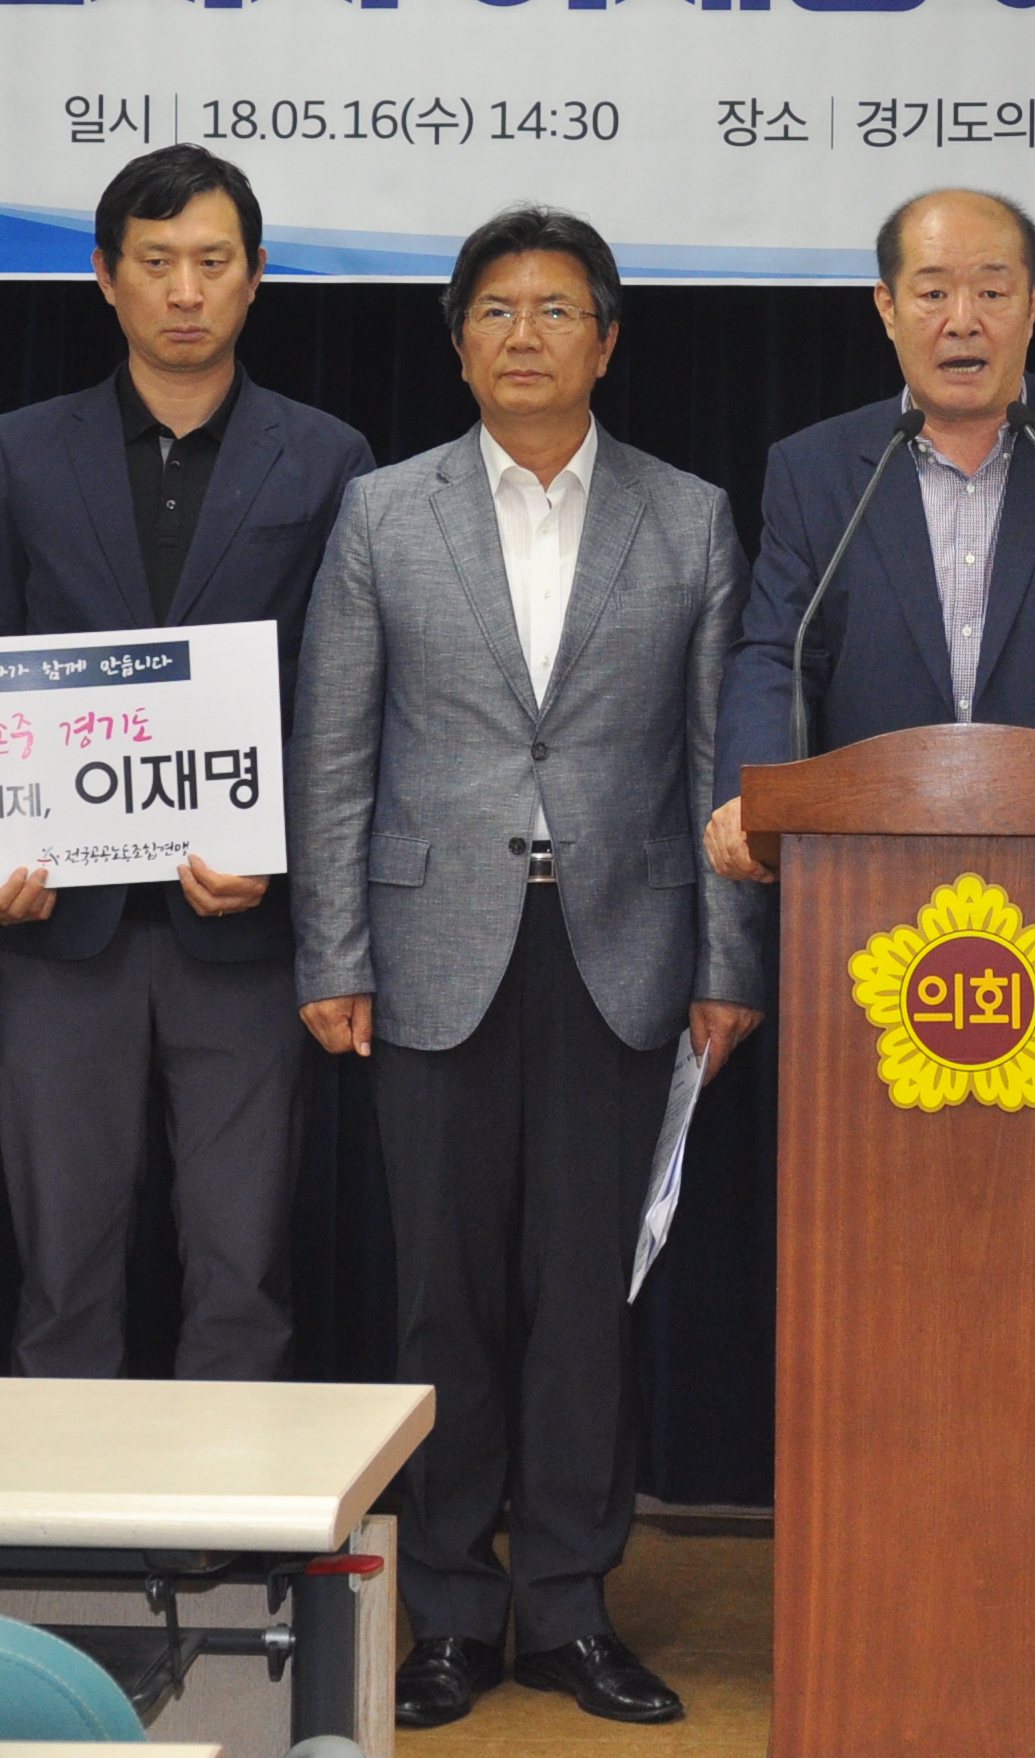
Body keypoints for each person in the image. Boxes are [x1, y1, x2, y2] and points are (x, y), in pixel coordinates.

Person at [293, 209, 747, 1733]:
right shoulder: (384, 513)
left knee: (584, 1302)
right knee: (444, 1297)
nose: (526, 334)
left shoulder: (690, 518)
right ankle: (444, 1612)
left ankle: (566, 1607)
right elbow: (335, 747)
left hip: (622, 947)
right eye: (497, 309)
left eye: (558, 309)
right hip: (431, 949)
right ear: (458, 343)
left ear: (606, 342)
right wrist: (332, 948)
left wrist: (729, 958)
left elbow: (719, 763)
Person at [0, 144, 370, 1383]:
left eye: (212, 261)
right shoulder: (23, 448)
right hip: (55, 929)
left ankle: (228, 1513)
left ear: (255, 276)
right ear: (105, 275)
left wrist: (279, 855)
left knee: (243, 1271)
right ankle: (63, 1513)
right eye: (156, 261)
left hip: (243, 931)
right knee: (59, 1272)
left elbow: (341, 696)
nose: (185, 290)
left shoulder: (327, 456)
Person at [702, 188, 1035, 886]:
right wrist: (749, 796)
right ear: (887, 307)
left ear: (1033, 305)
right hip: (864, 866)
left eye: (992, 293)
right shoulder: (813, 468)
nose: (962, 322)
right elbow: (776, 654)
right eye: (934, 293)